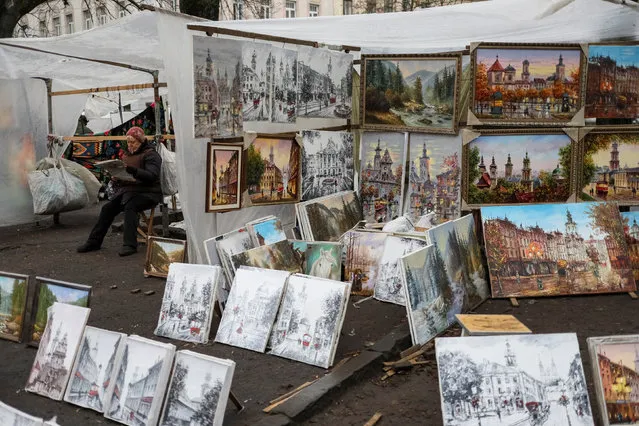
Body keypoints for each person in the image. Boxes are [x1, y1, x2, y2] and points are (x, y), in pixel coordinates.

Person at [77, 127, 162, 256]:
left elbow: (152, 176)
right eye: (128, 142)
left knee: (131, 206)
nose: (130, 145)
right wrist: (117, 176)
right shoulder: (127, 155)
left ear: (140, 140)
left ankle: (129, 245)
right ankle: (94, 242)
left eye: (133, 142)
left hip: (149, 192)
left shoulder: (151, 155)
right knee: (107, 208)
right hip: (129, 191)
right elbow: (126, 175)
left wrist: (133, 170)